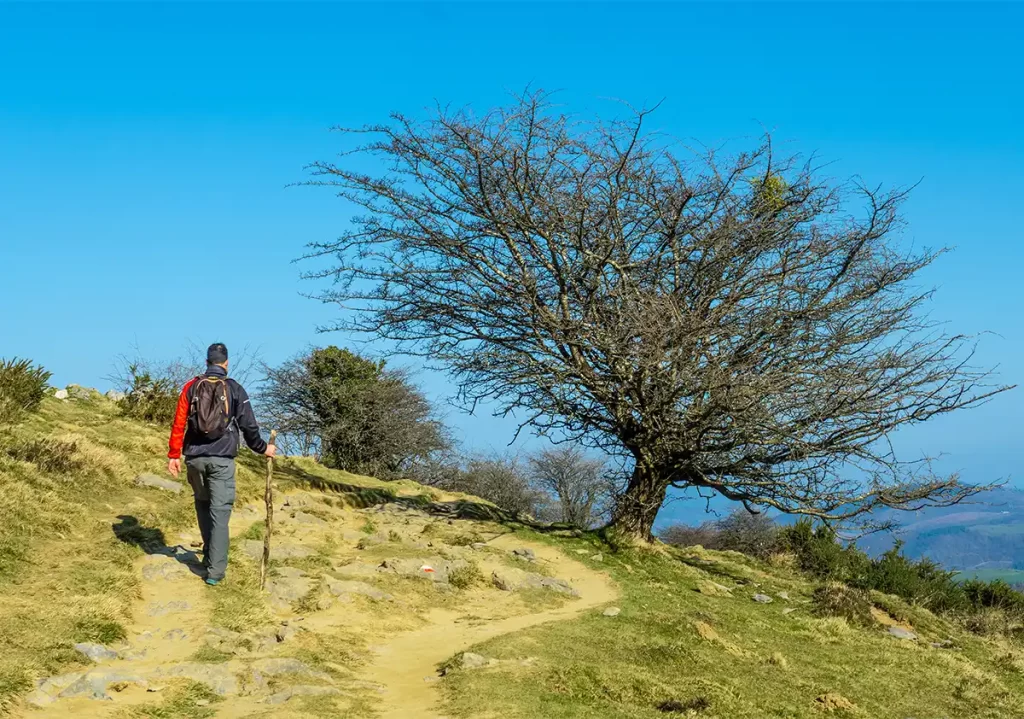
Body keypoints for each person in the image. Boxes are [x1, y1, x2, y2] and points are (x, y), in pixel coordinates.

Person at [167, 343, 275, 585]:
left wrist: (173, 455)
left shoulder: (191, 386)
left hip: (194, 458)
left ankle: (208, 556)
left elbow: (179, 422)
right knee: (220, 514)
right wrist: (262, 448)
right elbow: (249, 426)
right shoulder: (235, 389)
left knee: (203, 506)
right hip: (222, 458)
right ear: (226, 363)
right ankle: (215, 573)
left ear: (207, 362)